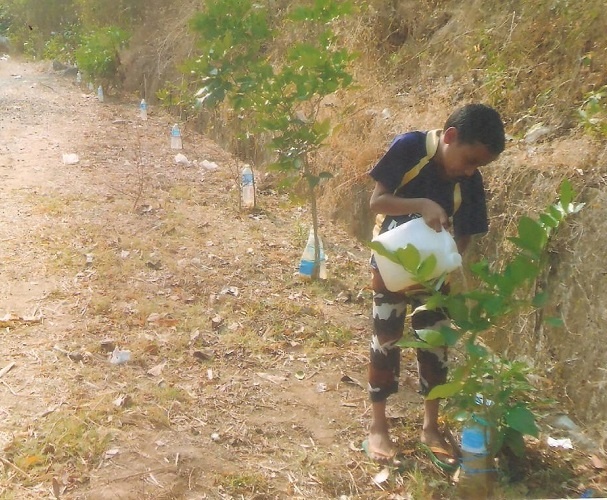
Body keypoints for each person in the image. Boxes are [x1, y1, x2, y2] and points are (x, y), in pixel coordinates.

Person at [366, 103, 506, 469]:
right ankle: (378, 425)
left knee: (436, 343)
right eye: (470, 160)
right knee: (386, 338)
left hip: (436, 275)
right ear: (450, 137)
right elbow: (377, 201)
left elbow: (464, 237)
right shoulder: (410, 147)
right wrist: (423, 204)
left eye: (479, 166)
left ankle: (431, 426)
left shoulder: (470, 182)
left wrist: (445, 265)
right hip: (392, 263)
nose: (471, 170)